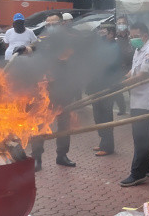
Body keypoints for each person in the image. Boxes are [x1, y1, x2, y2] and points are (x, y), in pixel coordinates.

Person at [31, 12, 79, 171]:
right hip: (44, 88)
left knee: (64, 123)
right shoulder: (42, 40)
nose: (50, 28)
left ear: (62, 24)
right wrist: (26, 49)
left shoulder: (71, 39)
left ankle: (62, 155)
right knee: (40, 123)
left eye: (54, 25)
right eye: (48, 25)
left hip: (64, 88)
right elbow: (34, 50)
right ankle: (36, 158)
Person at [119, 22, 149, 187]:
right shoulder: (139, 50)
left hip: (147, 99)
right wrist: (123, 78)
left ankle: (137, 173)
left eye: (136, 36)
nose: (132, 39)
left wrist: (123, 85)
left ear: (145, 36)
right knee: (145, 135)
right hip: (138, 97)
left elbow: (143, 75)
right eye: (131, 36)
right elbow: (134, 70)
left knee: (140, 136)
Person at [88, 24, 121, 156]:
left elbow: (109, 65)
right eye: (100, 31)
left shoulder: (115, 47)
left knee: (106, 116)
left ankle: (108, 147)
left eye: (104, 31)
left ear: (111, 34)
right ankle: (103, 142)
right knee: (97, 116)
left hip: (107, 86)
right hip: (96, 85)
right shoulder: (100, 46)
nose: (101, 33)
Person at [114, 16, 132, 115]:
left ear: (127, 25)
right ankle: (122, 109)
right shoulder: (114, 38)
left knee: (132, 90)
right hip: (118, 69)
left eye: (123, 23)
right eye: (119, 23)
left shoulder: (131, 37)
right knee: (117, 90)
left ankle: (134, 109)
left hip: (130, 68)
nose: (121, 25)